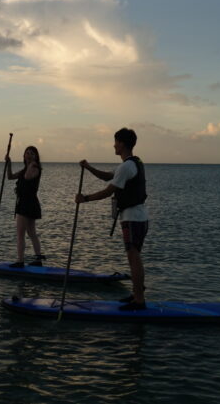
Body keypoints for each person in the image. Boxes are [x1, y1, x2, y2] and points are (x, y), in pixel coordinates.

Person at [75, 127, 148, 311]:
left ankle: (139, 300)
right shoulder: (133, 163)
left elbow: (109, 191)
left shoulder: (127, 166)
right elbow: (108, 176)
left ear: (122, 144)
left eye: (115, 142)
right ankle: (136, 294)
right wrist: (89, 167)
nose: (113, 145)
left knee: (133, 257)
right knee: (134, 257)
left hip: (133, 218)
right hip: (137, 217)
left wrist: (85, 198)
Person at [5, 145, 45, 268]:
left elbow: (28, 177)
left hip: (28, 203)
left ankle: (20, 260)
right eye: (27, 153)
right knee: (31, 232)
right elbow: (10, 176)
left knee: (21, 233)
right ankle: (37, 259)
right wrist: (9, 163)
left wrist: (32, 163)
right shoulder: (24, 170)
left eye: (32, 153)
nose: (29, 155)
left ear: (36, 156)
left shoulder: (35, 168)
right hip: (24, 203)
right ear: (24, 156)